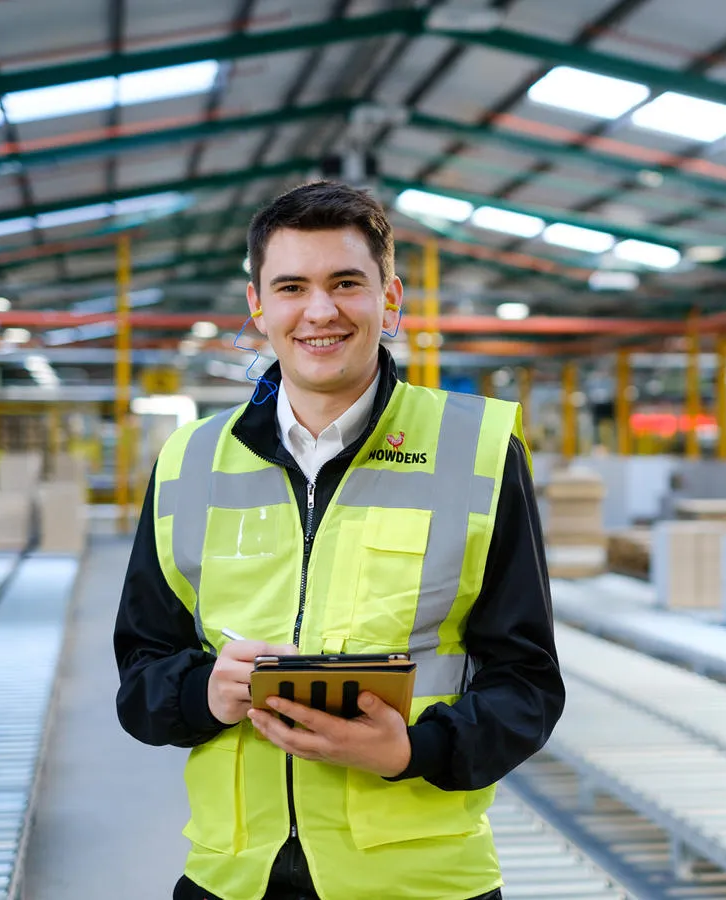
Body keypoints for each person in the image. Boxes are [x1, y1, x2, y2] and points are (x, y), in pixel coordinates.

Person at [114, 180, 565, 900]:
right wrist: (208, 691)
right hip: (234, 879)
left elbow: (528, 685)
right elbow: (140, 679)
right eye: (291, 286)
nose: (319, 311)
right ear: (258, 306)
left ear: (391, 299)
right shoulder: (188, 461)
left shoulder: (475, 450)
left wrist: (411, 750)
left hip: (420, 885)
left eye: (346, 283)